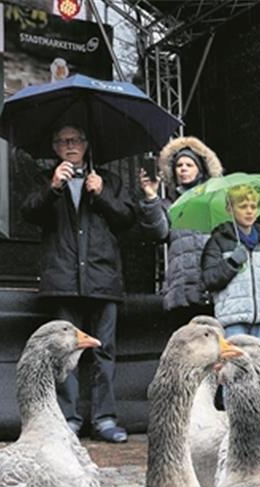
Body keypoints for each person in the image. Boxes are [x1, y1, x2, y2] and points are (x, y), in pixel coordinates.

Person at [20, 124, 167, 444]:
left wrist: (101, 195)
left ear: (86, 144)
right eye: (62, 141)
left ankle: (105, 418)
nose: (69, 146)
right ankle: (68, 420)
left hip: (102, 278)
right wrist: (53, 188)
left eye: (75, 140)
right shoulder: (45, 179)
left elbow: (127, 220)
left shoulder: (109, 180)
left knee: (105, 352)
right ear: (55, 147)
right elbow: (28, 213)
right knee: (63, 355)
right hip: (63, 280)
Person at [201, 184, 260, 342]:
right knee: (236, 366)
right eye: (243, 206)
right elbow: (209, 279)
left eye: (253, 206)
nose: (249, 211)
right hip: (232, 319)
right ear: (229, 209)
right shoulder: (217, 241)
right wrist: (232, 262)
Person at [159, 136, 223, 311]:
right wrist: (150, 198)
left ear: (200, 170)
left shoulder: (214, 201)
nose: (183, 169)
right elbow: (159, 232)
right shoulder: (167, 205)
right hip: (181, 285)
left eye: (189, 165)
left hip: (210, 283)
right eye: (179, 166)